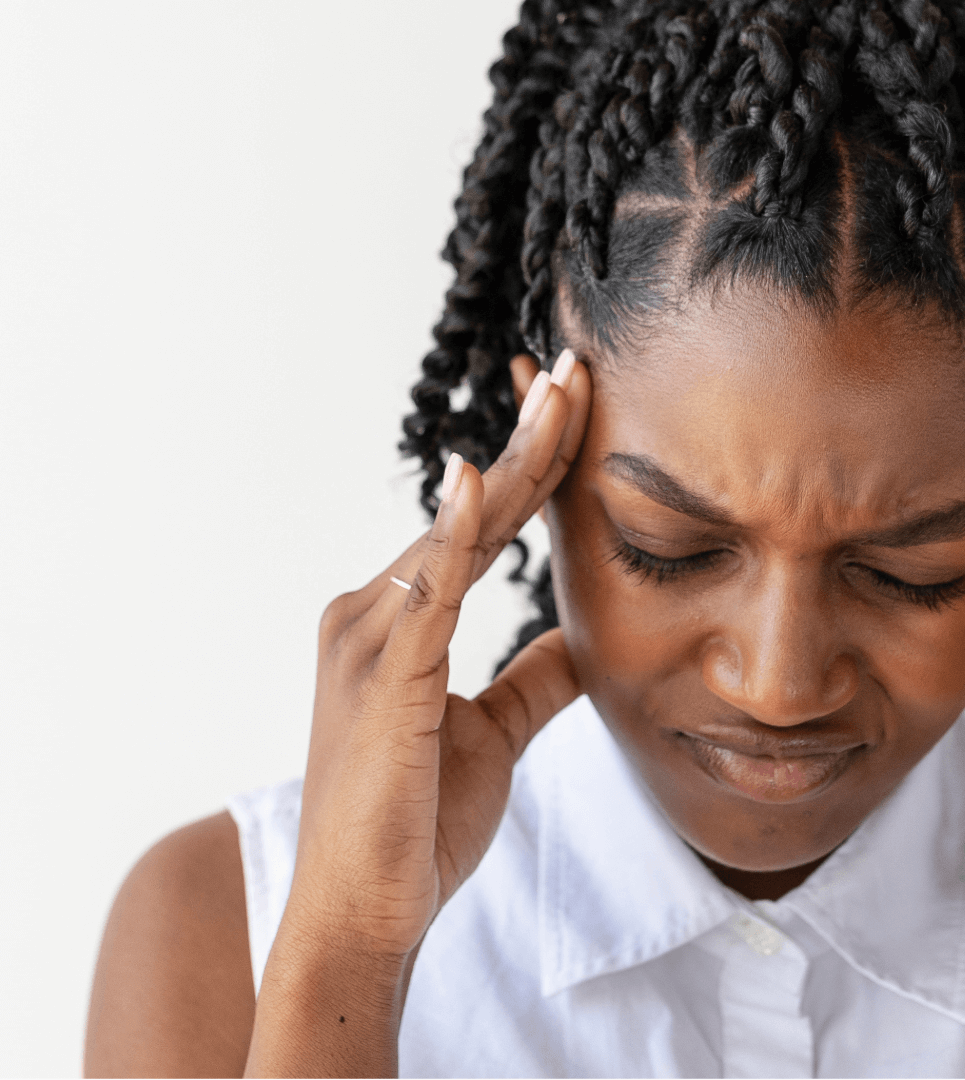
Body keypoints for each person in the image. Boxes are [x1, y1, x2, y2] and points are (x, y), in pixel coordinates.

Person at [84, 0, 965, 1075]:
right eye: (668, 546)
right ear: (538, 458)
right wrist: (349, 952)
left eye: (909, 570)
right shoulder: (227, 926)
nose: (775, 686)